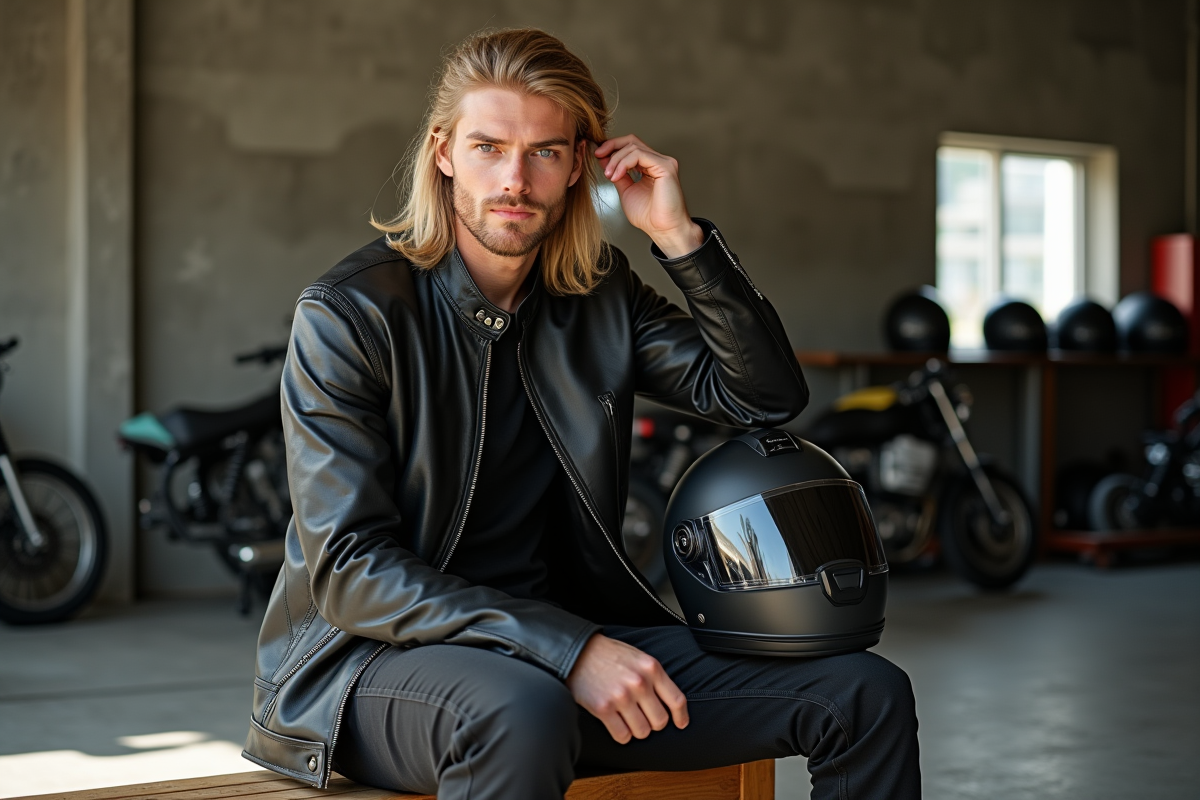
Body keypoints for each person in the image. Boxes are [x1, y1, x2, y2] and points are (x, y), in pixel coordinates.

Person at [242, 27, 920, 800]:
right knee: (522, 710)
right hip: (369, 665)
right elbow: (350, 569)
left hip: (564, 647)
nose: (515, 179)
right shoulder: (351, 314)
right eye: (489, 147)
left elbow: (762, 398)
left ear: (577, 167)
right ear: (443, 152)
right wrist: (570, 650)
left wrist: (678, 238)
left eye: (544, 153)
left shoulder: (599, 296)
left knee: (864, 694)